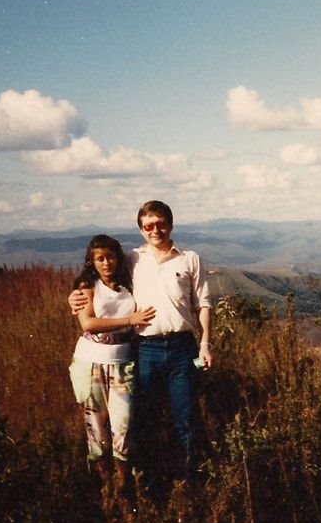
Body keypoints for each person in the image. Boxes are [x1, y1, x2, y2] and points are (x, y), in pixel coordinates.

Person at [70, 201, 213, 484]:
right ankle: (147, 481)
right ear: (141, 229)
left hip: (183, 348)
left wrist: (206, 342)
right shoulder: (132, 260)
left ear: (170, 225)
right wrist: (74, 297)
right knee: (143, 419)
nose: (155, 230)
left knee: (186, 417)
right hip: (144, 349)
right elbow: (98, 273)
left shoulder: (189, 259)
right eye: (149, 226)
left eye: (160, 224)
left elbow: (203, 304)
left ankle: (192, 482)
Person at [69, 234, 155, 498]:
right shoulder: (87, 285)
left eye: (110, 257)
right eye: (100, 258)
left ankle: (123, 484)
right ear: (92, 262)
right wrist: (130, 320)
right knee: (96, 426)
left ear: (118, 257)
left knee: (123, 426)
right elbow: (88, 323)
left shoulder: (127, 283)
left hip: (123, 362)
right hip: (90, 362)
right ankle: (105, 487)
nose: (106, 263)